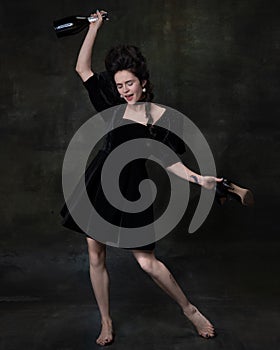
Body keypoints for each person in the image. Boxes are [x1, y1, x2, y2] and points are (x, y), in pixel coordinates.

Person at [60, 10, 223, 346]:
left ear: (143, 80)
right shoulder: (110, 101)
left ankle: (190, 310)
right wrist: (94, 27)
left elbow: (169, 162)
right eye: (119, 85)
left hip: (132, 190)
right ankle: (105, 321)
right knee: (95, 255)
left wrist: (199, 179)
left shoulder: (161, 118)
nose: (124, 91)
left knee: (147, 262)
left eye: (129, 83)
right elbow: (83, 69)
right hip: (98, 185)